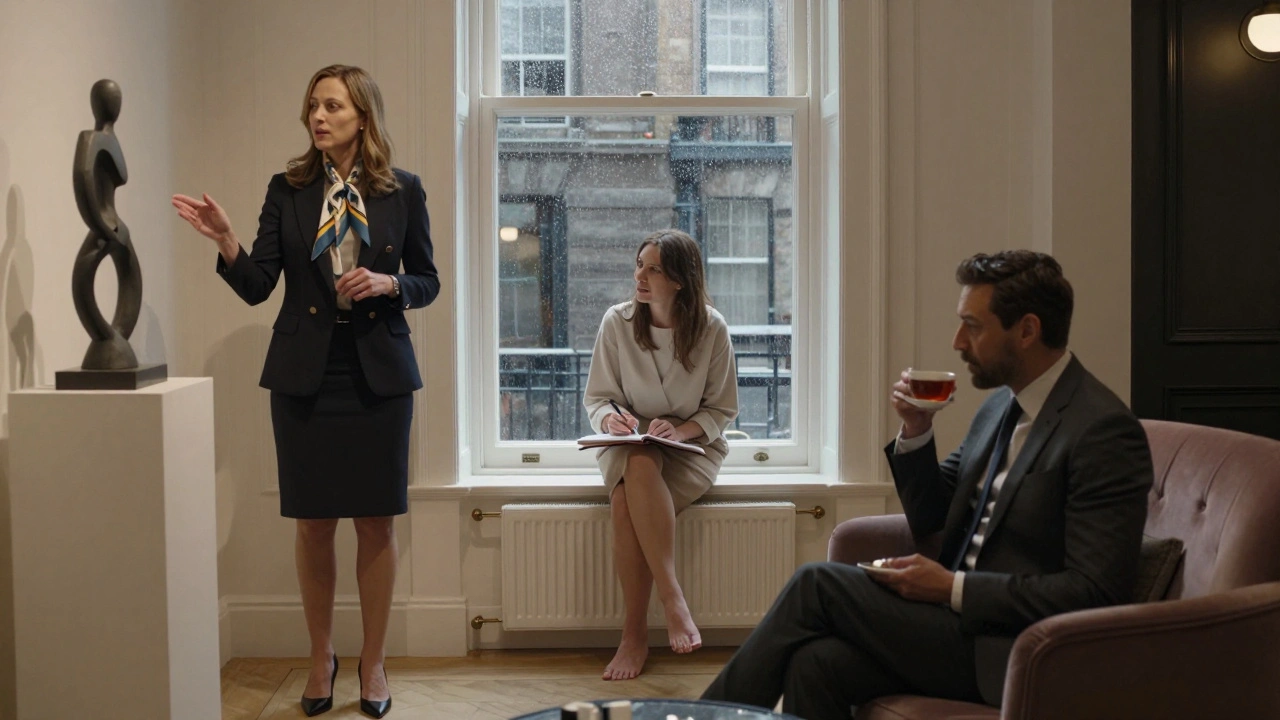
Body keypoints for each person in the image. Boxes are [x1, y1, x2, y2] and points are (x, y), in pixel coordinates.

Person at [701, 250, 1153, 719]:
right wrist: (917, 430)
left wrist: (951, 588)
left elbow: (1095, 592)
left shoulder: (1102, 431)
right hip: (954, 629)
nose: (958, 341)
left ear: (1027, 330)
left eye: (973, 326)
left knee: (816, 583)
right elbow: (931, 516)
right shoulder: (1001, 407)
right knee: (814, 664)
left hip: (1013, 650)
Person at [172, 64, 439, 718]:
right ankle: (321, 657)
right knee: (315, 523)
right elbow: (260, 283)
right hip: (304, 377)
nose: (318, 117)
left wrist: (389, 285)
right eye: (313, 106)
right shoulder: (287, 189)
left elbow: (427, 280)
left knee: (375, 523)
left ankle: (372, 665)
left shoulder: (402, 191)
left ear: (363, 116)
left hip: (378, 378)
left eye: (332, 106)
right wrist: (226, 241)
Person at [583, 229, 740, 681]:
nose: (641, 276)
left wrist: (682, 430)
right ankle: (672, 602)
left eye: (654, 268)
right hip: (630, 444)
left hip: (694, 448)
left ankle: (634, 636)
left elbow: (722, 409)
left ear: (680, 279)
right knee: (638, 462)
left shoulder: (712, 328)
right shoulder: (617, 321)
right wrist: (612, 419)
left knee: (624, 502)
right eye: (639, 265)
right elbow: (598, 397)